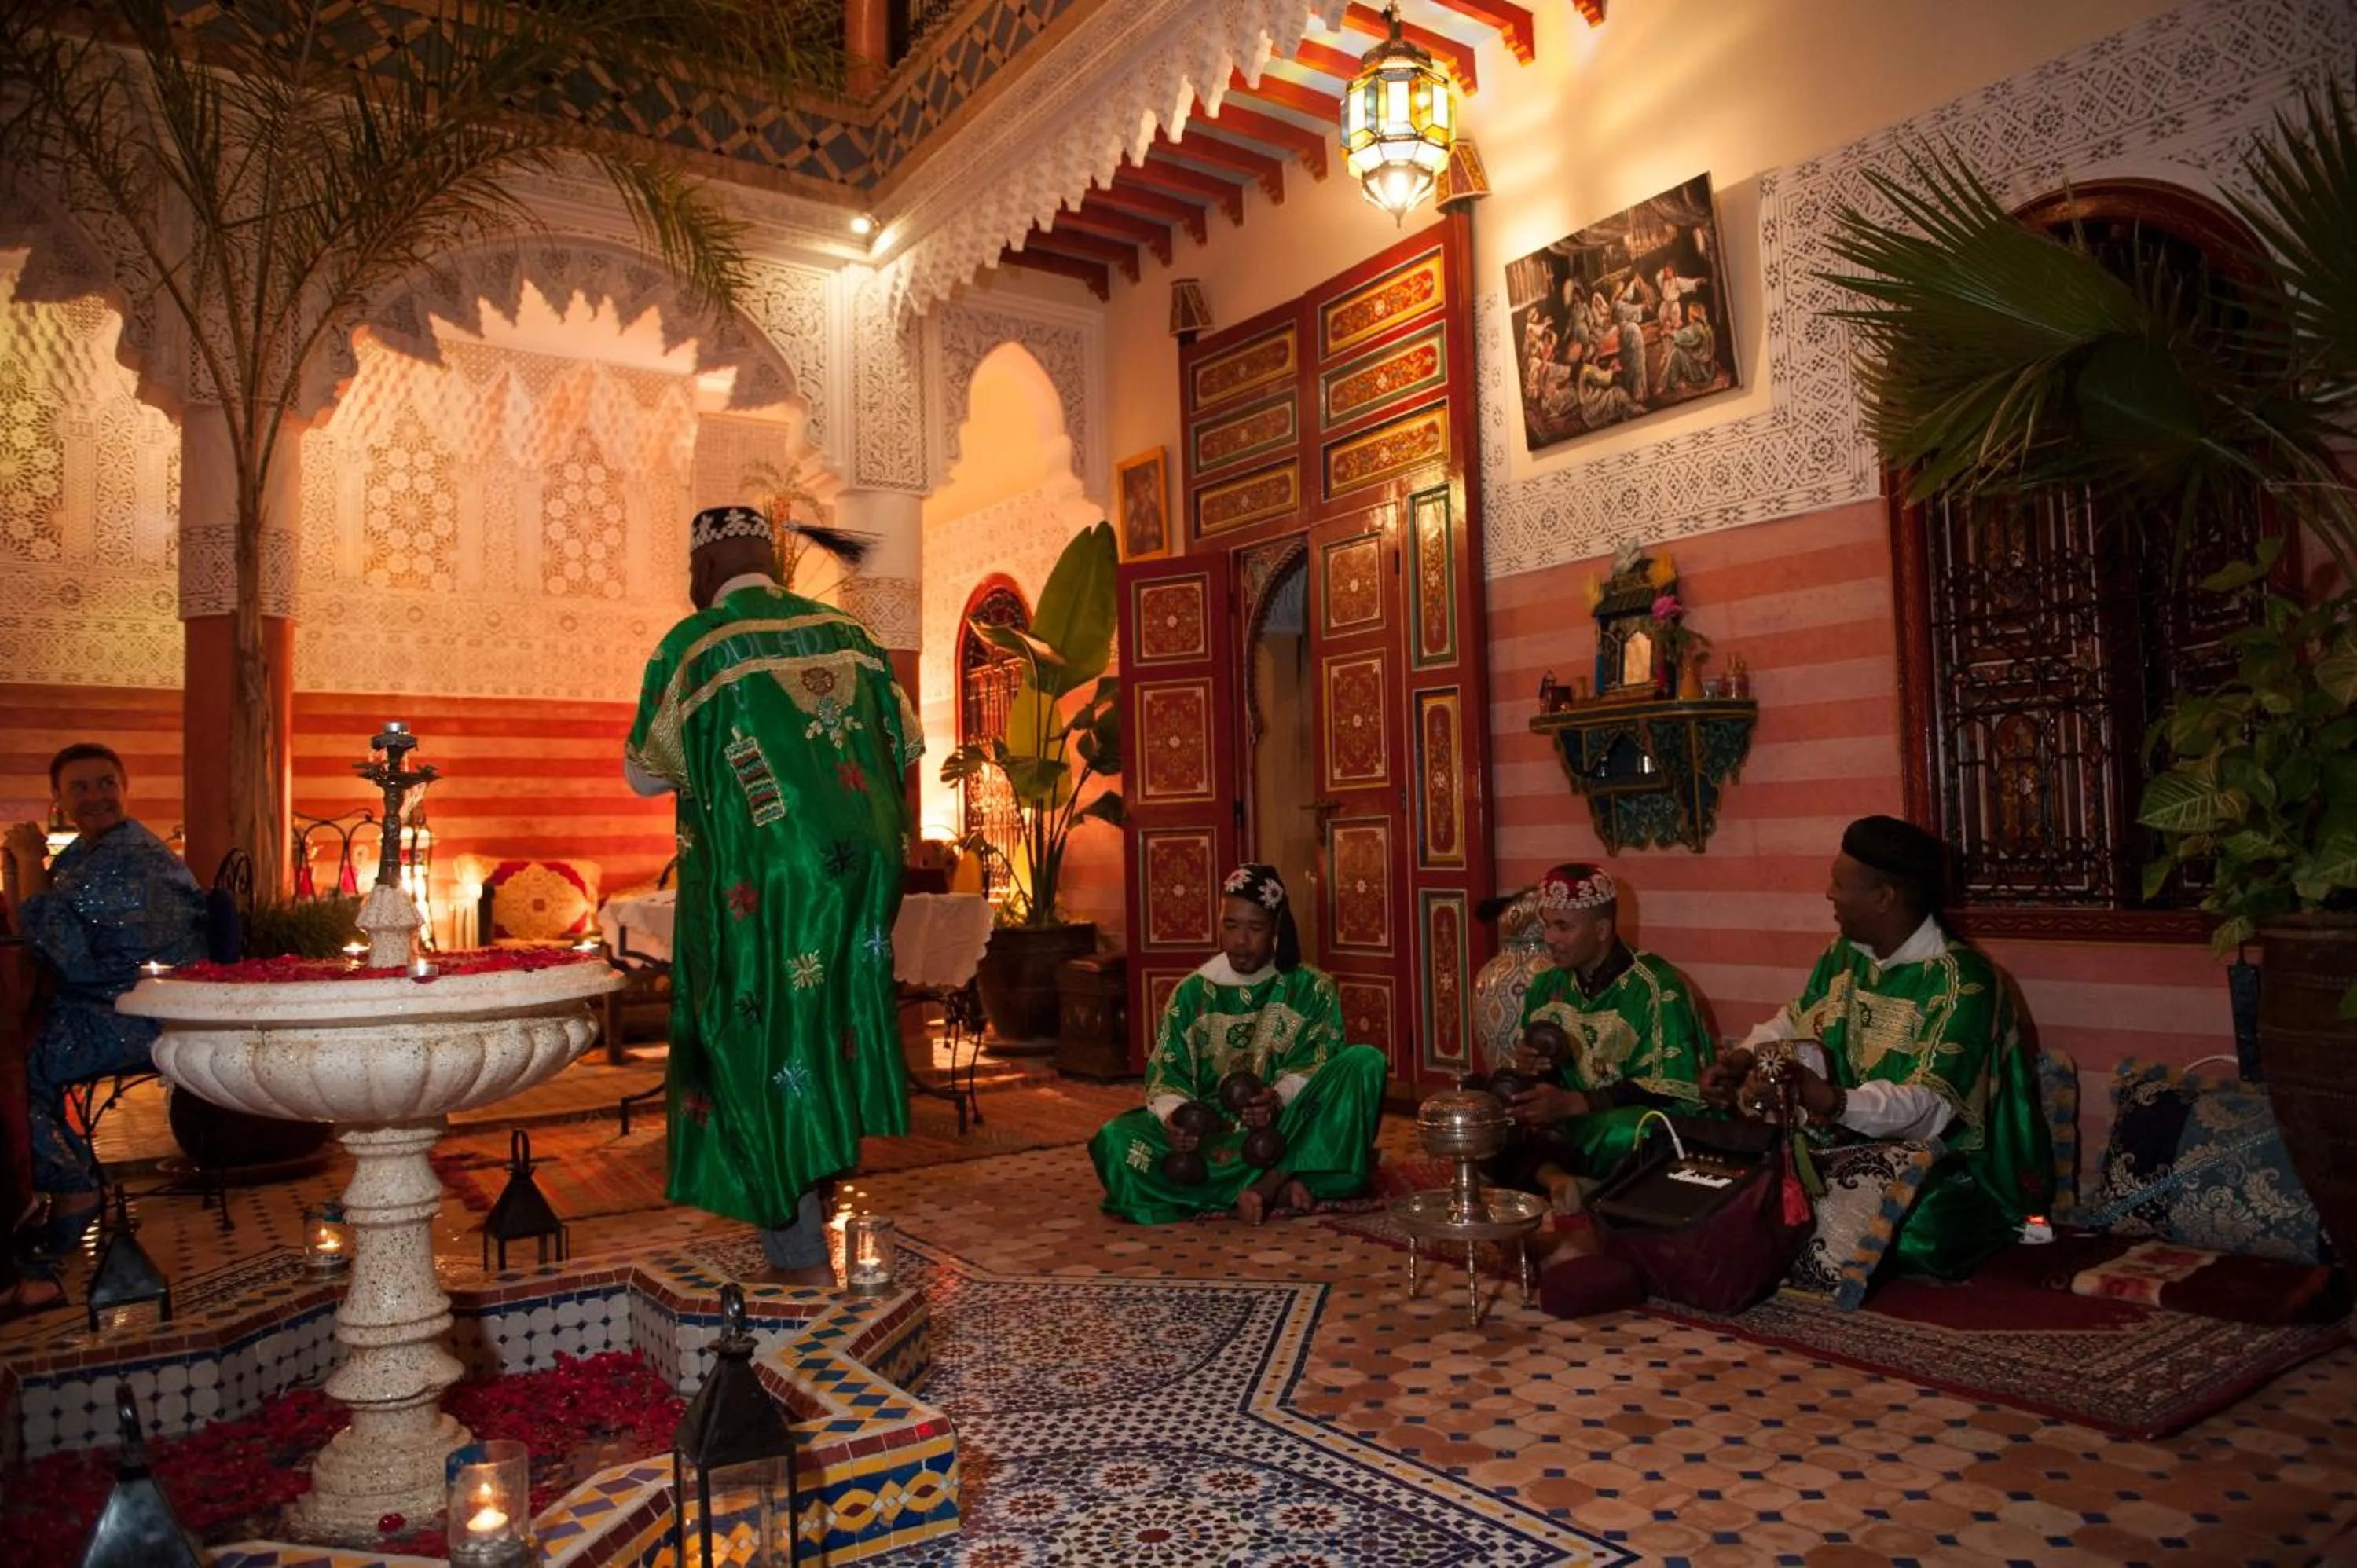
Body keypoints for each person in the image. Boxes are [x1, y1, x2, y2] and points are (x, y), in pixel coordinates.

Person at [625, 504, 922, 1287]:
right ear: (772, 561)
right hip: (863, 874)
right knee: (830, 1031)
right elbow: (907, 744)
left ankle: (800, 1259)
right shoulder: (853, 637)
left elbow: (643, 772)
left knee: (761, 1042)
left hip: (767, 878)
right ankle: (818, 1209)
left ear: (705, 569)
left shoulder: (694, 645)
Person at [1705, 815, 2051, 1280]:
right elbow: (1796, 1017)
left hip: (1951, 1164)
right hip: (1848, 1146)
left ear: (1885, 898)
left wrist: (1832, 1100)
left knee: (1914, 1232)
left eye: (1839, 883)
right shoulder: (1845, 954)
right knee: (1735, 1168)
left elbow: (1932, 1109)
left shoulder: (1964, 982)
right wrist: (1742, 1057)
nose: (1828, 894)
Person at [2, 743, 205, 1275]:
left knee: (11, 1067)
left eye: (106, 783)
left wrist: (30, 863)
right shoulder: (87, 853)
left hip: (143, 1014)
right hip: (101, 1001)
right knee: (12, 1046)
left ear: (124, 788)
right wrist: (18, 868)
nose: (96, 796)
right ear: (58, 799)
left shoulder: (131, 859)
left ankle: (73, 1188)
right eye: (80, 787)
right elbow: (34, 929)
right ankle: (51, 1185)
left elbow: (65, 957)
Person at [1090, 864, 1386, 1225]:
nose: (1240, 941)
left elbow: (1320, 1066)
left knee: (1365, 1062)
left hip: (1287, 1128)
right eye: (1230, 926)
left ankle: (1269, 1182)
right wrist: (1176, 1119)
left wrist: (1277, 1099)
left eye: (1255, 928)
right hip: (1214, 1139)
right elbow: (1168, 1073)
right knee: (1115, 1139)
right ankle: (1288, 1184)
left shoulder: (1311, 988)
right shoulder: (1191, 994)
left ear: (1276, 929)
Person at [1488, 863, 1714, 1207]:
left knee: (1630, 1133)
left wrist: (1577, 1103)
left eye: (1563, 926)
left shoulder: (1657, 986)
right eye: (1547, 924)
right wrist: (1530, 1067)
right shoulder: (1546, 984)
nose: (1549, 938)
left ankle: (1554, 1176)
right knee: (1486, 1108)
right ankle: (1559, 1179)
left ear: (1602, 930)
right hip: (1569, 1121)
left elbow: (1674, 1088)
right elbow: (1548, 1080)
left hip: (1627, 1117)